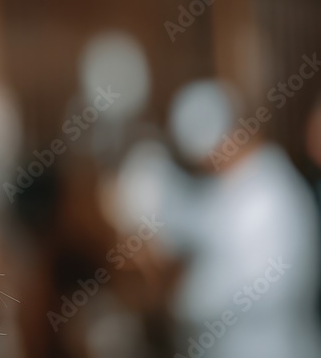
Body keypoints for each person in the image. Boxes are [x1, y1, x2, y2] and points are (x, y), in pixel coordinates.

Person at [117, 80, 321, 358]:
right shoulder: (228, 188)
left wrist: (180, 299)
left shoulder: (273, 196)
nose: (209, 165)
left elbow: (253, 288)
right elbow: (194, 220)